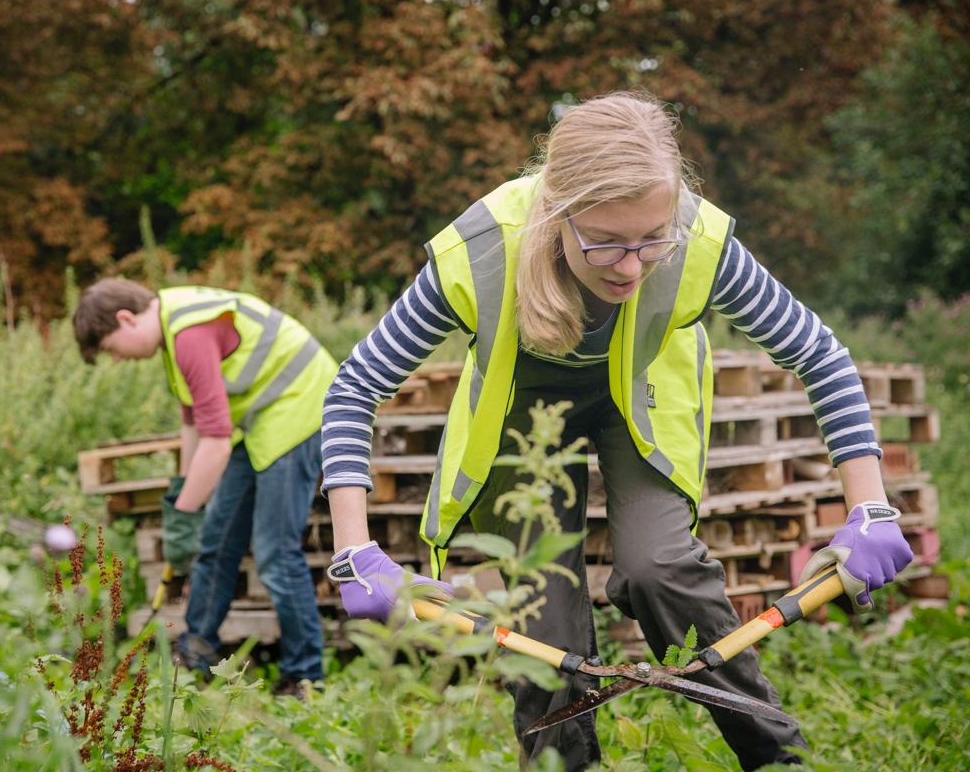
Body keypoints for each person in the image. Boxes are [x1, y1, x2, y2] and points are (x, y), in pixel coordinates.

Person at [320, 92, 913, 769]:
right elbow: (355, 385)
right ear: (558, 214)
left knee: (660, 569)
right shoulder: (483, 252)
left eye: (650, 239)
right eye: (605, 241)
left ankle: (780, 761)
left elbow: (819, 352)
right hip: (526, 416)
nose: (631, 266)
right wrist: (353, 549)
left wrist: (868, 504)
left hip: (640, 402)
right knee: (544, 615)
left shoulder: (696, 240)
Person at [74, 279, 337, 696]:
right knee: (216, 540)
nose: (117, 358)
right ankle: (195, 654)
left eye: (110, 347)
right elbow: (193, 424)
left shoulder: (189, 334)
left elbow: (214, 444)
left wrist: (183, 514)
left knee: (274, 551)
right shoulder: (172, 331)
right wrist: (183, 495)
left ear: (126, 319)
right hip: (259, 418)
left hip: (299, 406)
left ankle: (304, 677)